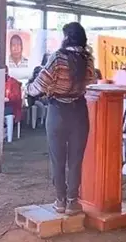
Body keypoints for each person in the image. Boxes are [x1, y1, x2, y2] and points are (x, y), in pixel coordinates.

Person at [26, 22, 95, 213]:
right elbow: (91, 81)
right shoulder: (88, 59)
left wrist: (29, 89)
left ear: (67, 37)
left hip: (57, 111)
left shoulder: (57, 58)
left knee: (58, 159)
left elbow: (39, 85)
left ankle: (60, 201)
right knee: (76, 159)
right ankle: (73, 201)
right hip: (79, 111)